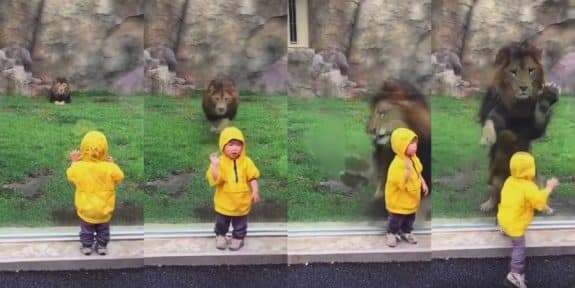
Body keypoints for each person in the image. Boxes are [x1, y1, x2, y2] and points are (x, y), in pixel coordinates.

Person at [497, 152, 559, 288]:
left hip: (503, 218)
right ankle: (515, 274)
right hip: (515, 225)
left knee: (508, 222)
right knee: (519, 247)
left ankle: (504, 229)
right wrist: (549, 187)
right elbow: (538, 202)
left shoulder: (509, 181)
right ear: (531, 170)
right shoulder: (528, 187)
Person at [67, 131, 124, 255]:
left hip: (86, 209)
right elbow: (120, 177)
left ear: (83, 149)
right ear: (105, 150)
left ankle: (87, 247)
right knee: (103, 229)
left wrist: (74, 161)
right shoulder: (110, 168)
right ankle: (102, 246)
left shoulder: (79, 167)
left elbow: (70, 174)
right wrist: (112, 164)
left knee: (86, 230)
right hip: (104, 209)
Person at [206, 127, 260, 251]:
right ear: (223, 146)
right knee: (221, 222)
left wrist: (255, 191)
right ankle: (220, 236)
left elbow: (252, 177)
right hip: (224, 201)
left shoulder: (247, 162)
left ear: (243, 146)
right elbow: (216, 179)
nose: (235, 148)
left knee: (240, 223)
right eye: (230, 145)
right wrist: (214, 166)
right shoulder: (220, 162)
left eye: (238, 145)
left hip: (241, 202)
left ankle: (238, 238)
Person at [384, 128, 429, 247]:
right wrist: (407, 173)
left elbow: (418, 172)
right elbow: (399, 184)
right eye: (410, 144)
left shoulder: (414, 158)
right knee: (396, 219)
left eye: (415, 143)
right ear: (400, 146)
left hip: (411, 199)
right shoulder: (397, 164)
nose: (414, 146)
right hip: (398, 201)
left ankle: (407, 232)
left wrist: (423, 183)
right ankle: (391, 233)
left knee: (410, 218)